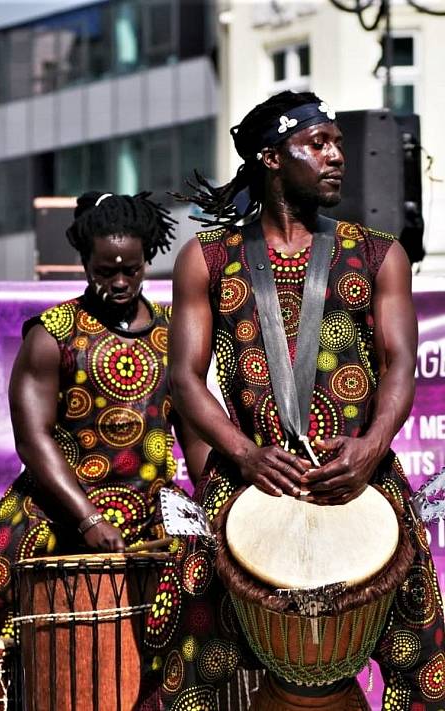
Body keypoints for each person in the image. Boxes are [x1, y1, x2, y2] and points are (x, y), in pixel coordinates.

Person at [155, 90, 445, 708]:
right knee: (190, 670)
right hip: (252, 477)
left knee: (424, 666)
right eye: (317, 144)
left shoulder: (378, 254)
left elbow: (399, 368)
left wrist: (371, 447)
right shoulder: (207, 259)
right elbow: (184, 379)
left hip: (360, 477)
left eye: (338, 142)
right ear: (270, 158)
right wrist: (245, 455)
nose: (336, 155)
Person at [0, 191, 181, 644]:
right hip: (57, 510)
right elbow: (32, 439)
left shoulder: (173, 330)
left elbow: (192, 429)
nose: (120, 281)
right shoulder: (51, 334)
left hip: (150, 514)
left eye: (131, 269)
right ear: (84, 261)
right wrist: (88, 519)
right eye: (106, 271)